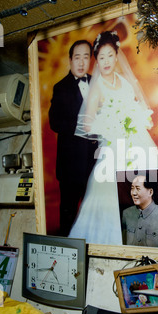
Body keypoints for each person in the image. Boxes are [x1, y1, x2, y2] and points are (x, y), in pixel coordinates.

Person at [68, 31, 158, 245]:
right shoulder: (97, 87)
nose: (106, 62)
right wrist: (111, 125)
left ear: (116, 55)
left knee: (152, 180)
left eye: (110, 56)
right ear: (97, 59)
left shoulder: (123, 81)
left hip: (134, 140)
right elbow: (87, 124)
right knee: (109, 194)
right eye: (101, 57)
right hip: (113, 145)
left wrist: (136, 118)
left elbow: (137, 106)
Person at [48, 40, 98, 236]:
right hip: (70, 166)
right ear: (70, 60)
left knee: (93, 212)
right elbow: (55, 123)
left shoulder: (97, 83)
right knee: (68, 215)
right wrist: (82, 127)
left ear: (90, 60)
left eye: (86, 57)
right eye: (77, 57)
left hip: (94, 163)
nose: (81, 62)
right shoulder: (61, 88)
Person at [122, 174, 158, 247]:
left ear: (150, 192)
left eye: (138, 188)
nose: (133, 193)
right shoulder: (126, 213)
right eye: (132, 188)